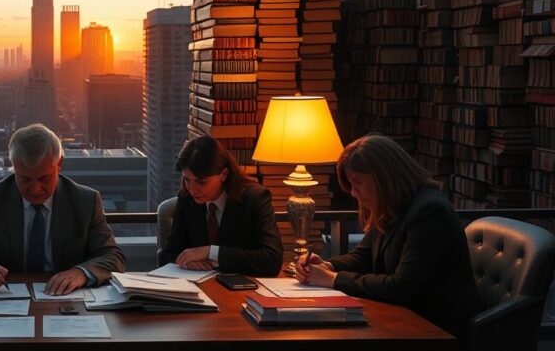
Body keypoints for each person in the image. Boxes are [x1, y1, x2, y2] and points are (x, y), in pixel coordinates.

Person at [296, 133, 479, 341]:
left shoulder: (429, 211)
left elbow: (401, 286)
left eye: (358, 183)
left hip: (435, 329)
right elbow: (363, 257)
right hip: (402, 318)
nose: (354, 193)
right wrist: (328, 265)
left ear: (384, 177)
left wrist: (333, 279)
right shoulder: (393, 205)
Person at [0, 123, 126, 294]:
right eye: (25, 179)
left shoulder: (85, 201)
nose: (35, 189)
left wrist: (80, 273)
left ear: (59, 163)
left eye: (44, 178)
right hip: (7, 299)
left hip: (65, 302)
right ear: (13, 166)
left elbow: (112, 257)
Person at [158, 136, 283, 276]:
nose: (192, 189)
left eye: (201, 182)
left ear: (223, 174)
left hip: (240, 290)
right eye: (187, 179)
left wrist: (212, 252)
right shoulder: (186, 198)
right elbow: (167, 254)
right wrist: (185, 261)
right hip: (198, 289)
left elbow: (272, 260)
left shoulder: (254, 198)